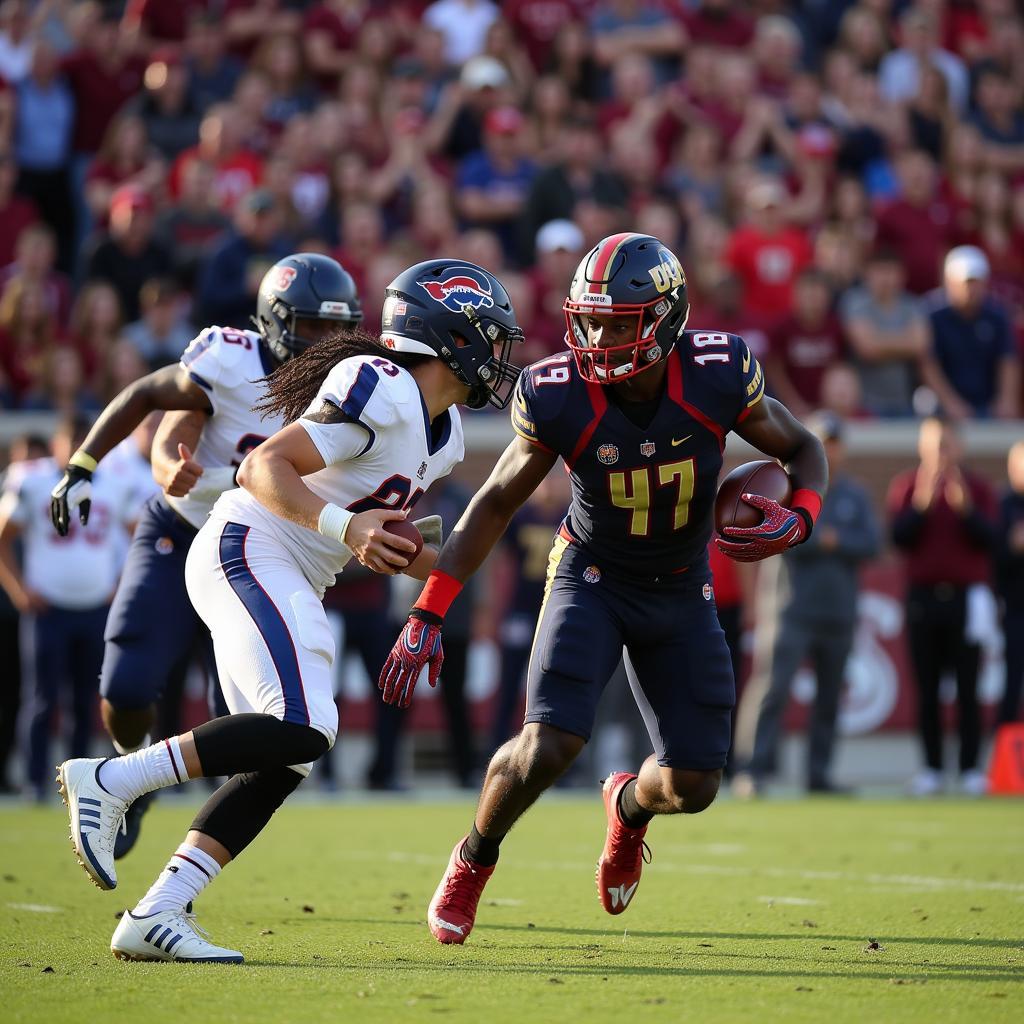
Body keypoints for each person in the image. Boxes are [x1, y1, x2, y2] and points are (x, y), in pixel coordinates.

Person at [55, 257, 523, 964]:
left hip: (296, 571)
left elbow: (384, 527)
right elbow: (261, 467)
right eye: (489, 337)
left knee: (286, 753)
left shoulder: (445, 431)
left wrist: (431, 591)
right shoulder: (381, 384)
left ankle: (157, 912)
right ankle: (112, 777)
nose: (498, 355)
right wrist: (347, 528)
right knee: (306, 724)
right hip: (249, 546)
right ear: (450, 336)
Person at [378, 233, 828, 945]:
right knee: (549, 743)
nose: (601, 337)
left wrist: (800, 519)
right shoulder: (558, 392)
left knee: (694, 786)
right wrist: (430, 606)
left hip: (681, 584)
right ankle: (473, 858)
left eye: (621, 322)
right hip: (591, 574)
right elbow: (494, 503)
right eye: (592, 320)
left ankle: (627, 808)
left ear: (666, 318)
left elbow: (804, 449)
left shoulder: (717, 374)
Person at [49, 253, 362, 857]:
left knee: (254, 727)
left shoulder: (355, 386)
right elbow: (148, 395)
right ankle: (126, 774)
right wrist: (83, 463)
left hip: (266, 549)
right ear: (273, 321)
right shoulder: (230, 359)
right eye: (313, 327)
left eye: (337, 328)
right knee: (129, 682)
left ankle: (181, 871)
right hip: (184, 533)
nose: (327, 342)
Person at [732, 413, 879, 797]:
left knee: (830, 697)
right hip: (790, 608)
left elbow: (872, 543)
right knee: (771, 690)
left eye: (835, 443)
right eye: (823, 443)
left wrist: (832, 541)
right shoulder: (786, 488)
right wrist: (824, 540)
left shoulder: (853, 493)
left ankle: (819, 774)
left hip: (838, 611)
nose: (830, 450)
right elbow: (780, 539)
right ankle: (752, 770)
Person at [0, 416, 136, 800]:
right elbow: (3, 537)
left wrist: (120, 583)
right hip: (49, 609)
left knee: (84, 701)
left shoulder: (115, 482)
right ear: (57, 444)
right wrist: (19, 590)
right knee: (41, 698)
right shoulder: (33, 480)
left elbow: (138, 535)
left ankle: (76, 785)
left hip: (95, 607)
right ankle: (34, 780)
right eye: (70, 440)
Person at [888, 417, 998, 797]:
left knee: (968, 688)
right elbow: (899, 538)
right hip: (923, 598)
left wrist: (966, 508)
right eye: (934, 445)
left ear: (960, 447)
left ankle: (970, 768)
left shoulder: (979, 488)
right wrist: (921, 504)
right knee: (928, 688)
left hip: (967, 599)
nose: (941, 453)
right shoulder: (907, 487)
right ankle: (932, 767)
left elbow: (990, 539)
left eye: (947, 445)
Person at [921, 246, 1019, 420]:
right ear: (950, 282)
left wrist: (1006, 399)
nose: (971, 289)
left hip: (987, 406)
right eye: (966, 282)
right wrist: (951, 403)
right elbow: (928, 363)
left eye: (976, 282)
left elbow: (1007, 359)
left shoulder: (996, 316)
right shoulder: (933, 315)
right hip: (942, 409)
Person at [996, 440, 1024, 725]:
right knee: (1013, 680)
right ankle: (1008, 753)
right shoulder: (1003, 505)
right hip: (1015, 608)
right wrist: (1012, 547)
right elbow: (992, 557)